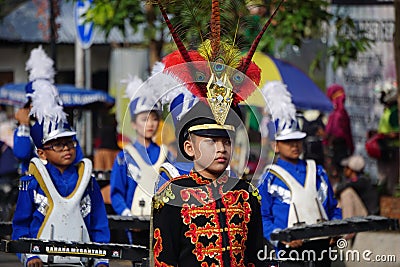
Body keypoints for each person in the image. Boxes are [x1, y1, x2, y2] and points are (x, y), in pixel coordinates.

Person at [12, 107, 110, 267]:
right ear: (42, 153)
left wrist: (101, 259)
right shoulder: (31, 183)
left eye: (69, 143)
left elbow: (99, 223)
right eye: (57, 145)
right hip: (43, 262)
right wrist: (29, 255)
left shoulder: (88, 181)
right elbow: (21, 225)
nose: (66, 148)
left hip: (82, 261)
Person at [258, 81, 342, 267]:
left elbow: (333, 208)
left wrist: (334, 229)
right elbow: (262, 217)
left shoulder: (317, 170)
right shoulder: (268, 178)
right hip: (288, 254)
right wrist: (282, 237)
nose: (295, 145)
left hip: (320, 252)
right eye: (288, 142)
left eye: (297, 140)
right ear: (276, 145)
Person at [13, 46, 84, 175]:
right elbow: (21, 153)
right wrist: (24, 126)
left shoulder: (62, 124)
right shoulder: (26, 126)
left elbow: (77, 155)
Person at [324, 84, 354, 182]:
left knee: (337, 175)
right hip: (342, 148)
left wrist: (326, 140)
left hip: (337, 149)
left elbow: (335, 133)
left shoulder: (337, 115)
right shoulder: (340, 113)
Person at [375, 81, 399, 196]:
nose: (381, 97)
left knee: (390, 182)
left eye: (383, 94)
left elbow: (396, 132)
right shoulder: (387, 110)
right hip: (385, 148)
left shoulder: (394, 112)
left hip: (392, 149)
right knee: (382, 178)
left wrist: (385, 135)